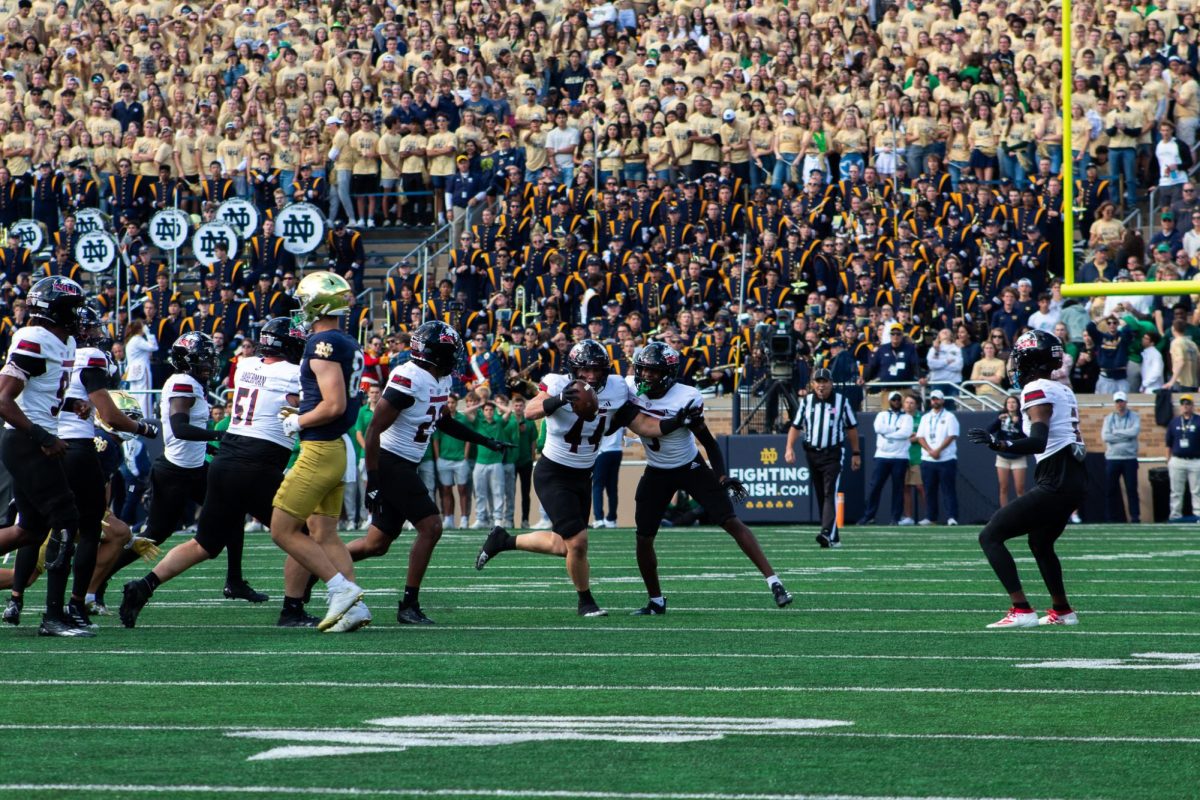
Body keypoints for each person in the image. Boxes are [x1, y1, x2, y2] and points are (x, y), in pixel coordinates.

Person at [474, 339, 693, 617]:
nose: (591, 376)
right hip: (553, 472)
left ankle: (503, 540)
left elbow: (642, 425)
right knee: (577, 542)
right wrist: (560, 399)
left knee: (563, 545)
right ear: (573, 370)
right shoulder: (556, 383)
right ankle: (585, 602)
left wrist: (676, 422)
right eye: (585, 370)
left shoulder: (617, 387)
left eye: (597, 370)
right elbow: (530, 412)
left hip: (583, 474)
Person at [117, 319, 307, 628]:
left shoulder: (246, 366)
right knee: (298, 536)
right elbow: (307, 404)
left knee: (204, 543)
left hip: (224, 464)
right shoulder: (288, 373)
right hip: (252, 463)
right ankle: (294, 608)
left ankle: (145, 585)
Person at [341, 321, 512, 625]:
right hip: (391, 461)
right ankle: (409, 604)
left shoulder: (439, 379)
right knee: (431, 526)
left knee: (375, 545)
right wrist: (374, 481)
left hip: (406, 463)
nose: (455, 358)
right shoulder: (409, 378)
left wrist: (485, 440)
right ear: (434, 354)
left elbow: (442, 421)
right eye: (450, 352)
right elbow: (373, 431)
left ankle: (321, 565)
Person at [616, 343, 793, 613]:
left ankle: (774, 582)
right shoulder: (630, 388)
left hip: (690, 467)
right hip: (656, 470)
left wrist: (721, 476)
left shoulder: (685, 397)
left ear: (667, 373)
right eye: (643, 370)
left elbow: (708, 442)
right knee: (643, 537)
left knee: (731, 521)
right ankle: (655, 600)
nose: (645, 376)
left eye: (653, 372)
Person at [967, 329, 1088, 628]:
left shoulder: (1036, 390)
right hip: (1073, 475)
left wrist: (1001, 443)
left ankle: (1021, 609)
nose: (1014, 365)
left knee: (990, 535)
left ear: (1031, 361)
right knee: (1041, 542)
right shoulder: (1062, 388)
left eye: (1019, 358)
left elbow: (1038, 440)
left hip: (1056, 475)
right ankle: (1062, 610)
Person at [269, 272, 368, 632]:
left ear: (317, 304)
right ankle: (354, 608)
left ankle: (341, 590)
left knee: (281, 528)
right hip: (334, 448)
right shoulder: (345, 340)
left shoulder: (322, 342)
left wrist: (300, 420)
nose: (300, 307)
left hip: (320, 448)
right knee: (324, 533)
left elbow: (334, 404)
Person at [0, 277, 90, 637]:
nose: (78, 315)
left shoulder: (61, 340)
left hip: (34, 436)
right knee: (66, 517)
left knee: (29, 530)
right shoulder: (34, 338)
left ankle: (55, 614)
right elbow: (4, 400)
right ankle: (53, 616)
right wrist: (42, 436)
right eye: (72, 308)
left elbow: (41, 392)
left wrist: (71, 404)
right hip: (26, 441)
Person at [784, 368, 862, 548]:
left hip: (833, 453)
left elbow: (851, 428)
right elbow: (796, 426)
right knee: (821, 493)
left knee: (829, 492)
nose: (821, 385)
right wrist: (789, 448)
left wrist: (856, 453)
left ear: (831, 383)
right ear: (812, 384)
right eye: (817, 382)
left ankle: (826, 532)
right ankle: (833, 537)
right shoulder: (807, 401)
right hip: (812, 453)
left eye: (824, 382)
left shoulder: (842, 401)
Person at [859, 390, 912, 526]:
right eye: (893, 400)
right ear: (889, 401)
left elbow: (905, 433)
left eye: (898, 400)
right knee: (875, 486)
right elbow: (878, 428)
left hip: (900, 456)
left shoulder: (907, 417)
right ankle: (869, 516)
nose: (896, 402)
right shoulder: (881, 415)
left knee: (898, 488)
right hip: (882, 455)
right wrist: (895, 430)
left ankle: (895, 517)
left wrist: (888, 433)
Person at [916, 389, 960, 526]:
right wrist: (930, 450)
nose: (935, 401)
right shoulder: (925, 417)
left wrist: (938, 450)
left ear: (942, 400)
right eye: (933, 399)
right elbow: (920, 437)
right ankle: (930, 517)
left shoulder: (949, 417)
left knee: (948, 489)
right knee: (929, 490)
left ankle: (952, 517)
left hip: (946, 459)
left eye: (937, 399)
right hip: (928, 459)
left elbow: (952, 435)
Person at [1102, 391, 1141, 524]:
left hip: (1129, 458)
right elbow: (1106, 437)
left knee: (1131, 489)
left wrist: (1116, 433)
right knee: (1110, 489)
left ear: (1126, 402)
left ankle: (1135, 517)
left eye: (1121, 401)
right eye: (1117, 402)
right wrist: (1126, 435)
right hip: (1112, 458)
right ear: (1115, 403)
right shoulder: (1109, 418)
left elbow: (1134, 432)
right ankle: (1111, 518)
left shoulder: (1134, 416)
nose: (1119, 404)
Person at [434, 394, 472, 529]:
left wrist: (465, 456)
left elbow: (468, 437)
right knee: (446, 490)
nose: (450, 405)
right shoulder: (441, 419)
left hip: (460, 460)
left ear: (456, 404)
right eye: (448, 403)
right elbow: (436, 440)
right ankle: (448, 518)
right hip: (444, 459)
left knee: (462, 490)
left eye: (452, 402)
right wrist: (438, 458)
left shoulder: (462, 418)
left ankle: (464, 519)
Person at [989, 396, 1028, 508]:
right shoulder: (1001, 417)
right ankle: (1004, 514)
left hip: (1018, 456)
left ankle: (1022, 513)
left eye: (1014, 402)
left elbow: (1027, 434)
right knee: (1003, 487)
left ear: (1018, 404)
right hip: (1003, 456)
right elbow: (989, 430)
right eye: (1009, 402)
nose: (1011, 404)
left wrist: (1018, 423)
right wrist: (998, 420)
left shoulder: (1023, 418)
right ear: (1006, 405)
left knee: (1020, 488)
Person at [1166, 394, 1200, 521]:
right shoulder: (1174, 422)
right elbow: (1168, 442)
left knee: (1197, 491)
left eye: (1188, 404)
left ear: (1192, 406)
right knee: (1176, 491)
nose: (1185, 406)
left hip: (1195, 461)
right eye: (1183, 404)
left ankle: (1198, 516)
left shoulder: (1198, 420)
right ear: (1181, 406)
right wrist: (1168, 459)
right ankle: (1175, 516)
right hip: (1178, 460)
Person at [591, 421, 623, 528]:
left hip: (603, 451)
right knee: (612, 488)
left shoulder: (603, 412)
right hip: (617, 450)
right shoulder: (619, 411)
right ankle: (611, 519)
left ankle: (599, 518)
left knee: (597, 486)